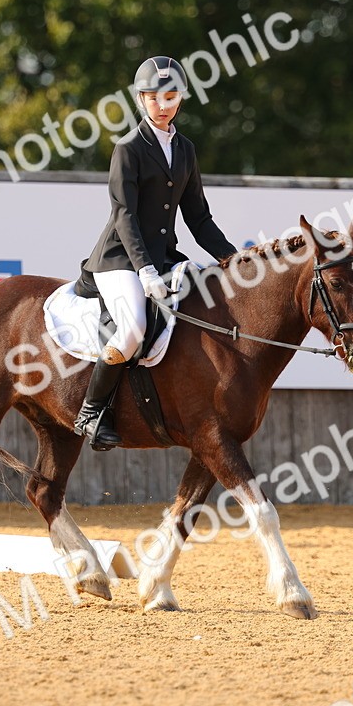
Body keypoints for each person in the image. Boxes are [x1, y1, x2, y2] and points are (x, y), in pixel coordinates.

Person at [73, 55, 239, 450]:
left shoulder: (185, 150)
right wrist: (145, 269)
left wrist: (233, 259)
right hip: (119, 259)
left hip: (164, 258)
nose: (162, 105)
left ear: (180, 98)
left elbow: (198, 217)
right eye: (153, 98)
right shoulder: (128, 148)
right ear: (141, 99)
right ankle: (91, 412)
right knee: (132, 329)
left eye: (170, 97)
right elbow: (124, 215)